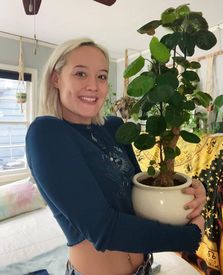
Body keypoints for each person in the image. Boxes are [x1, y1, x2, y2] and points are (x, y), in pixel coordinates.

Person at [26, 38, 206, 275]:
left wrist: (187, 194)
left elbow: (139, 194)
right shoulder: (47, 132)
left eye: (101, 76)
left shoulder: (113, 126)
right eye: (80, 74)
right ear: (56, 78)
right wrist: (188, 237)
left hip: (145, 268)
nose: (94, 85)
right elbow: (103, 230)